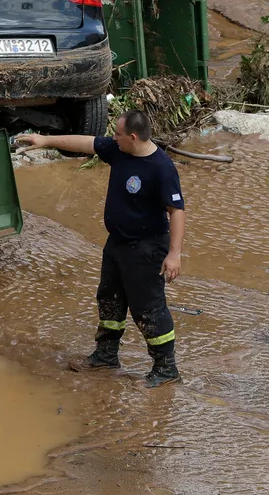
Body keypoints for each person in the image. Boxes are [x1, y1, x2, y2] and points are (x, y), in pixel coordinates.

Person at [15, 111, 187, 388]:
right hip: (117, 244)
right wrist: (45, 140)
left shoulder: (161, 168)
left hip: (147, 249)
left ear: (133, 137)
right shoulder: (119, 151)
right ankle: (106, 355)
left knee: (148, 309)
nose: (112, 138)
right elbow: (86, 143)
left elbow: (176, 211)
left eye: (117, 134)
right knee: (110, 299)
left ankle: (166, 369)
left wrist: (174, 254)